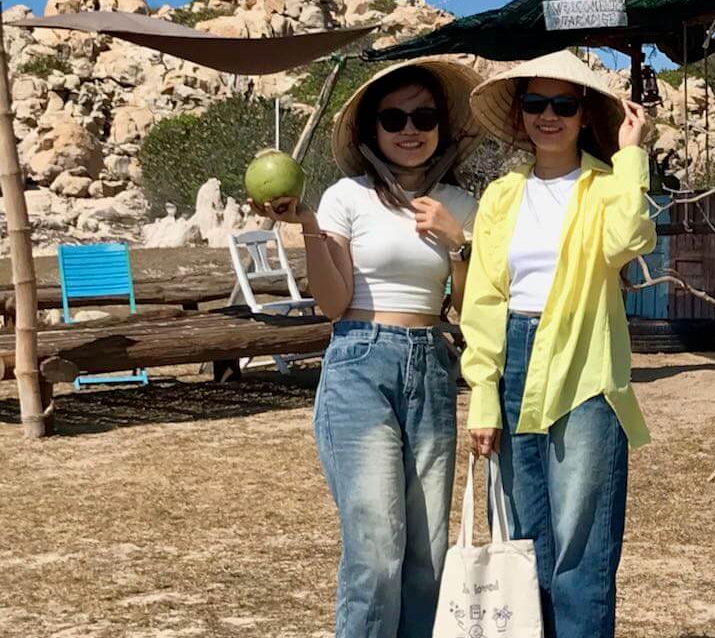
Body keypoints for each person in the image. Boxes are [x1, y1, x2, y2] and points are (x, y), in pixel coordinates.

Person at [254, 57, 482, 638]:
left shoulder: (459, 204)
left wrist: (457, 244)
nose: (411, 129)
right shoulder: (344, 197)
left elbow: (464, 309)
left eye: (424, 116)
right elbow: (333, 302)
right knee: (377, 552)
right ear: (371, 131)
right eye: (395, 117)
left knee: (426, 558)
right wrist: (305, 221)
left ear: (442, 127)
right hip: (361, 359)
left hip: (431, 361)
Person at [460, 49, 656, 638]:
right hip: (516, 357)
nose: (549, 117)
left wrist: (632, 154)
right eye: (536, 104)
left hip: (587, 364)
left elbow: (629, 240)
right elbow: (486, 300)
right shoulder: (500, 196)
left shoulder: (604, 184)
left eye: (564, 105)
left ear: (582, 114)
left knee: (582, 544)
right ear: (520, 115)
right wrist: (484, 395)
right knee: (525, 542)